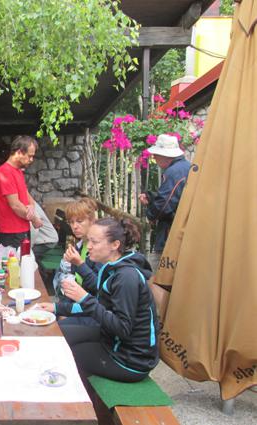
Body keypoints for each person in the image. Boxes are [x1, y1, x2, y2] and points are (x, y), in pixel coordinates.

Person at [47, 218, 159, 382]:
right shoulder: (112, 268)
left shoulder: (126, 277)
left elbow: (122, 328)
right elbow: (100, 304)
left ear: (115, 245)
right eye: (89, 241)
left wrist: (84, 298)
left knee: (63, 352)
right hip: (111, 339)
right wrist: (56, 308)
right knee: (57, 335)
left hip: (130, 359)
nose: (89, 246)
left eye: (95, 242)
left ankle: (78, 396)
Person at [37, 197, 100, 327]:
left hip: (93, 314)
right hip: (76, 306)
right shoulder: (79, 247)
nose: (74, 226)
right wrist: (60, 309)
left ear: (92, 221)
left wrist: (80, 264)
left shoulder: (99, 251)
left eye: (80, 221)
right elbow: (69, 283)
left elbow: (98, 287)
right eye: (71, 222)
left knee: (53, 328)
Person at [139, 134, 190, 262]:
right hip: (183, 232)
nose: (154, 157)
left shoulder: (174, 172)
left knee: (162, 271)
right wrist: (151, 198)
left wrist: (151, 214)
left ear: (165, 155)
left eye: (156, 155)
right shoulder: (185, 167)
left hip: (172, 235)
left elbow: (164, 205)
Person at [0, 135, 42, 248]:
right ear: (19, 152)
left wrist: (32, 206)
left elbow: (25, 193)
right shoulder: (5, 172)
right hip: (11, 232)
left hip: (20, 229)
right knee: (16, 259)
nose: (31, 160)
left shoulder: (17, 171)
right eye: (30, 156)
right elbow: (15, 205)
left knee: (24, 258)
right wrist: (34, 219)